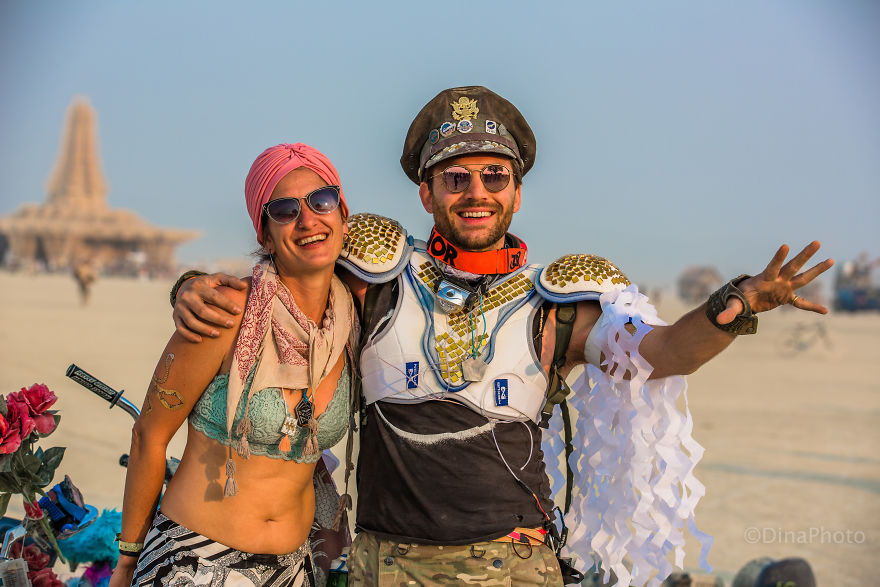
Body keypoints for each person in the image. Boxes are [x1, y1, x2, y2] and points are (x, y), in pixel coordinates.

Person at [171, 87, 833, 587]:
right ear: (426, 193)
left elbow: (659, 355)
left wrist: (734, 303)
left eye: (495, 177)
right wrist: (195, 286)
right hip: (383, 566)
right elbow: (280, 282)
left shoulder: (556, 304)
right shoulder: (373, 277)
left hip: (516, 567)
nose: (476, 192)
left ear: (517, 193)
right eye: (455, 179)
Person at [111, 143, 356, 587]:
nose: (308, 220)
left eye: (321, 201)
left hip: (295, 569)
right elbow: (150, 433)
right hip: (195, 560)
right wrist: (129, 558)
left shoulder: (355, 317)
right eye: (284, 210)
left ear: (342, 212)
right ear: (264, 235)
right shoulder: (224, 312)